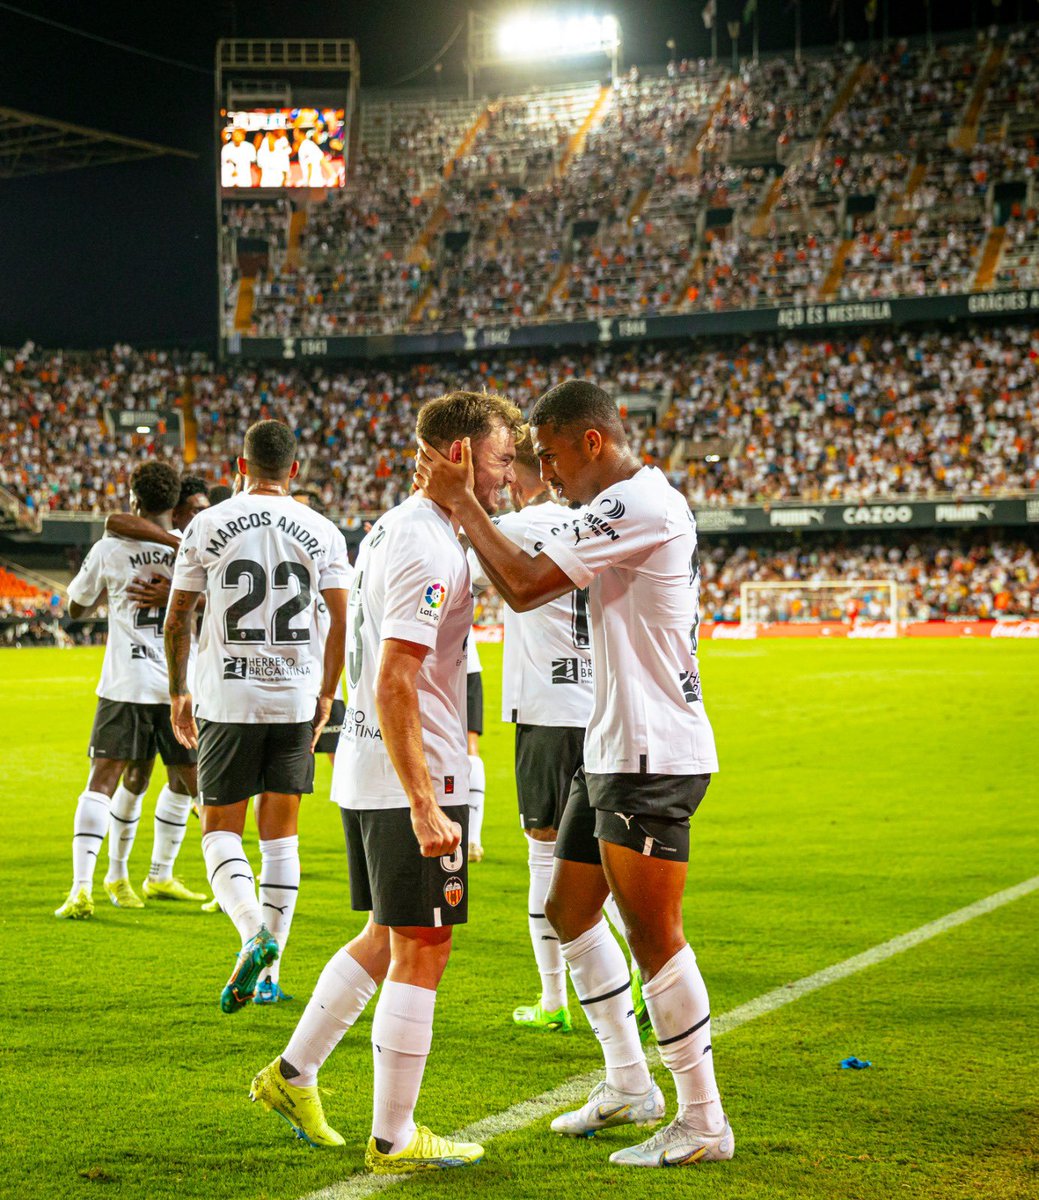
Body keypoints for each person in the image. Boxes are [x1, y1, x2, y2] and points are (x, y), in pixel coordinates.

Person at [415, 379, 733, 1168]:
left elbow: (522, 588)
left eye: (552, 455)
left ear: (591, 441)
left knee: (654, 937)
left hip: (652, 754)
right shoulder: (618, 504)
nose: (546, 474)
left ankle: (703, 1121)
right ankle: (629, 1083)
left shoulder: (640, 504)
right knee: (566, 909)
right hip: (611, 746)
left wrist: (462, 506)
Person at [249, 390, 522, 1172]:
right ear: (460, 454)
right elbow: (397, 679)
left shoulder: (390, 527)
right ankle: (394, 1138)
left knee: (385, 936)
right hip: (413, 769)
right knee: (425, 944)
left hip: (368, 765)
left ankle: (292, 1075)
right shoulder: (429, 544)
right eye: (501, 458)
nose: (508, 474)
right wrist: (425, 801)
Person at [164, 420, 349, 1012]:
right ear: (294, 470)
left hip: (228, 697)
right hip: (295, 698)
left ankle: (252, 934)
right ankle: (270, 977)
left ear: (238, 467)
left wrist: (177, 692)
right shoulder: (322, 530)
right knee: (281, 838)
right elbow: (339, 619)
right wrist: (325, 695)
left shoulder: (208, 523)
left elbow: (177, 618)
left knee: (220, 831)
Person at [56, 462, 198, 919]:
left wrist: (109, 592)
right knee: (192, 785)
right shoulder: (191, 550)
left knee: (106, 783)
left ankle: (84, 888)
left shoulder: (109, 549)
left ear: (134, 500)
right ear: (174, 505)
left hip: (124, 683)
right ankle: (144, 875)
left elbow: (76, 610)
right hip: (181, 687)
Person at [89, 475, 212, 903]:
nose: (201, 515)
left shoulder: (201, 540)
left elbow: (221, 602)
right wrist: (176, 544)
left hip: (183, 683)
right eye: (194, 509)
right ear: (176, 509)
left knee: (187, 781)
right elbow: (115, 519)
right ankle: (116, 875)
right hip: (148, 682)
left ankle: (159, 875)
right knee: (137, 776)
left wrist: (180, 601)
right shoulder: (175, 541)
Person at [464, 631, 486, 861]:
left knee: (470, 750)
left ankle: (471, 839)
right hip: (467, 663)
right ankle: (471, 840)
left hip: (463, 665)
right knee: (470, 749)